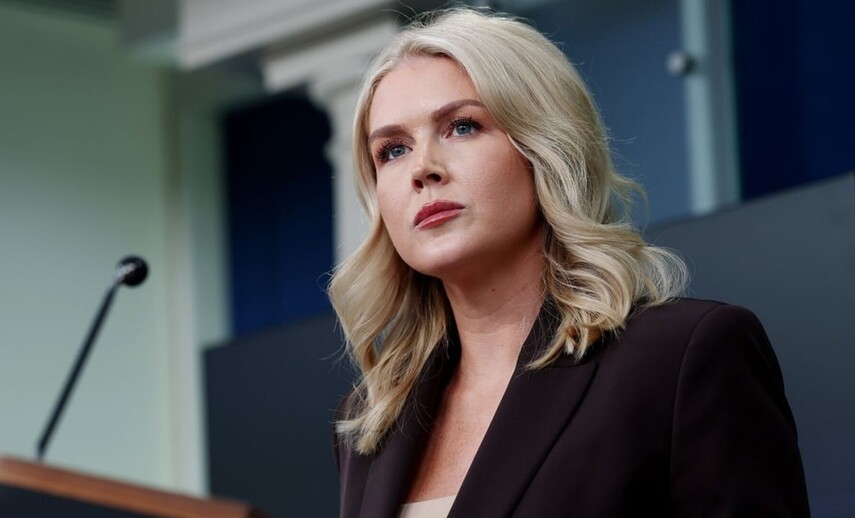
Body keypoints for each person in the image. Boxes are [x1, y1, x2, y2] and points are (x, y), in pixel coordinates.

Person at [329, 7, 809, 518]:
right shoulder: (371, 422)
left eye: (462, 126)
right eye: (393, 150)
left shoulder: (682, 357)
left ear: (544, 146)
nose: (422, 168)